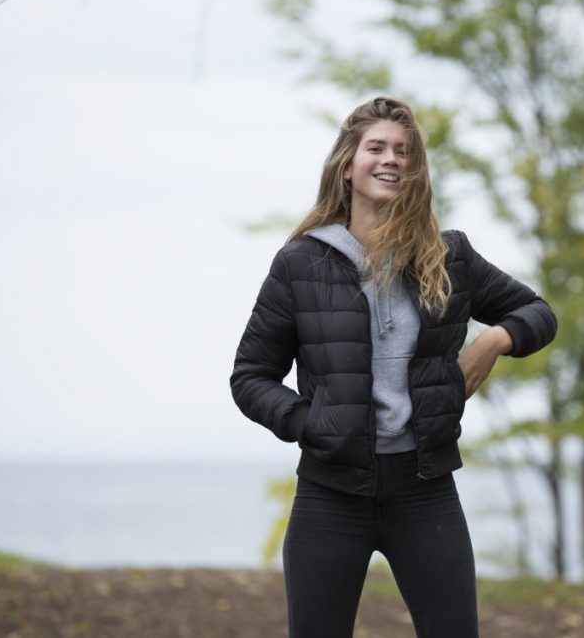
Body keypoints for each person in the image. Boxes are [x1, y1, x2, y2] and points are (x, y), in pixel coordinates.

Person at [230, 96, 557, 637]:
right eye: (376, 147)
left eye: (404, 152)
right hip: (331, 493)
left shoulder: (449, 257)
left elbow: (537, 312)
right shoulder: (300, 263)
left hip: (424, 489)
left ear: (416, 169)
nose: (391, 159)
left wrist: (494, 340)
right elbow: (250, 377)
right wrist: (309, 423)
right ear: (347, 163)